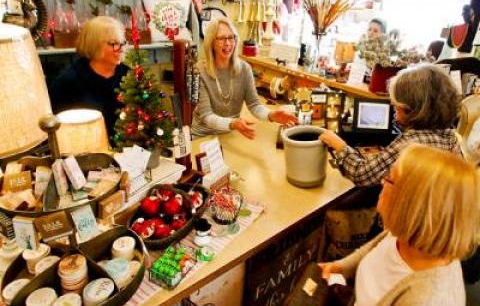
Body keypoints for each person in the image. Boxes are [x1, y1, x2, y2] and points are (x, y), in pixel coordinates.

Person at [319, 144, 480, 305]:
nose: (382, 182)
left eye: (389, 179)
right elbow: (377, 246)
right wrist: (341, 267)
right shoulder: (407, 235)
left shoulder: (426, 300)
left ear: (411, 205)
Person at [320, 64, 461, 186]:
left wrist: (338, 144)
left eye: (395, 107)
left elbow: (360, 174)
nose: (394, 112)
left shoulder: (410, 144)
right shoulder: (451, 137)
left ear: (410, 109)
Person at [191, 17, 297, 139]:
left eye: (231, 37)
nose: (228, 43)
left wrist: (271, 115)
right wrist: (233, 123)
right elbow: (206, 116)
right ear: (211, 42)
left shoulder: (244, 69)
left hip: (228, 134)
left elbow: (254, 105)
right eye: (221, 38)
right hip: (203, 136)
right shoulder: (199, 71)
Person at [49, 16, 128, 137]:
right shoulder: (68, 81)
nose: (121, 49)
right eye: (113, 44)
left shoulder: (130, 75)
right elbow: (57, 128)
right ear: (93, 45)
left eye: (122, 43)